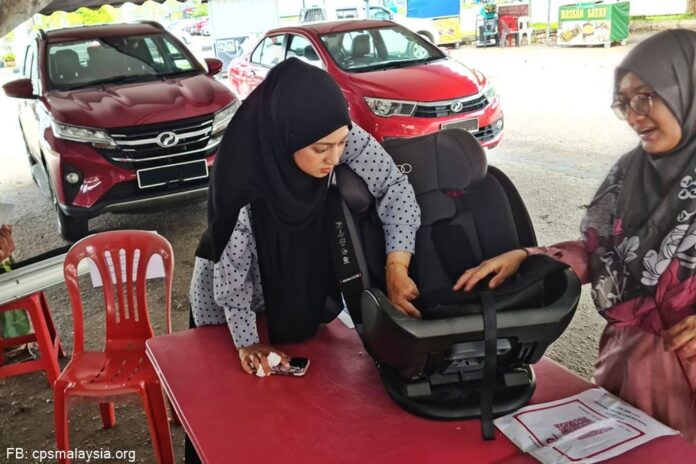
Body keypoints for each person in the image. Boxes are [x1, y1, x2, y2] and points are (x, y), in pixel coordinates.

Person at [453, 29, 696, 442]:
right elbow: (603, 252)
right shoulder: (631, 174)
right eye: (624, 102)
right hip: (626, 364)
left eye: (645, 97)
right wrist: (530, 256)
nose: (634, 116)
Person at [190, 57, 421, 375]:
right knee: (228, 383)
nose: (335, 157)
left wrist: (397, 267)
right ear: (287, 136)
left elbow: (394, 187)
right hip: (232, 298)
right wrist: (247, 341)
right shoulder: (243, 180)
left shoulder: (332, 132)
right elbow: (233, 274)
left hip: (295, 281)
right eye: (321, 149)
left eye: (341, 144)